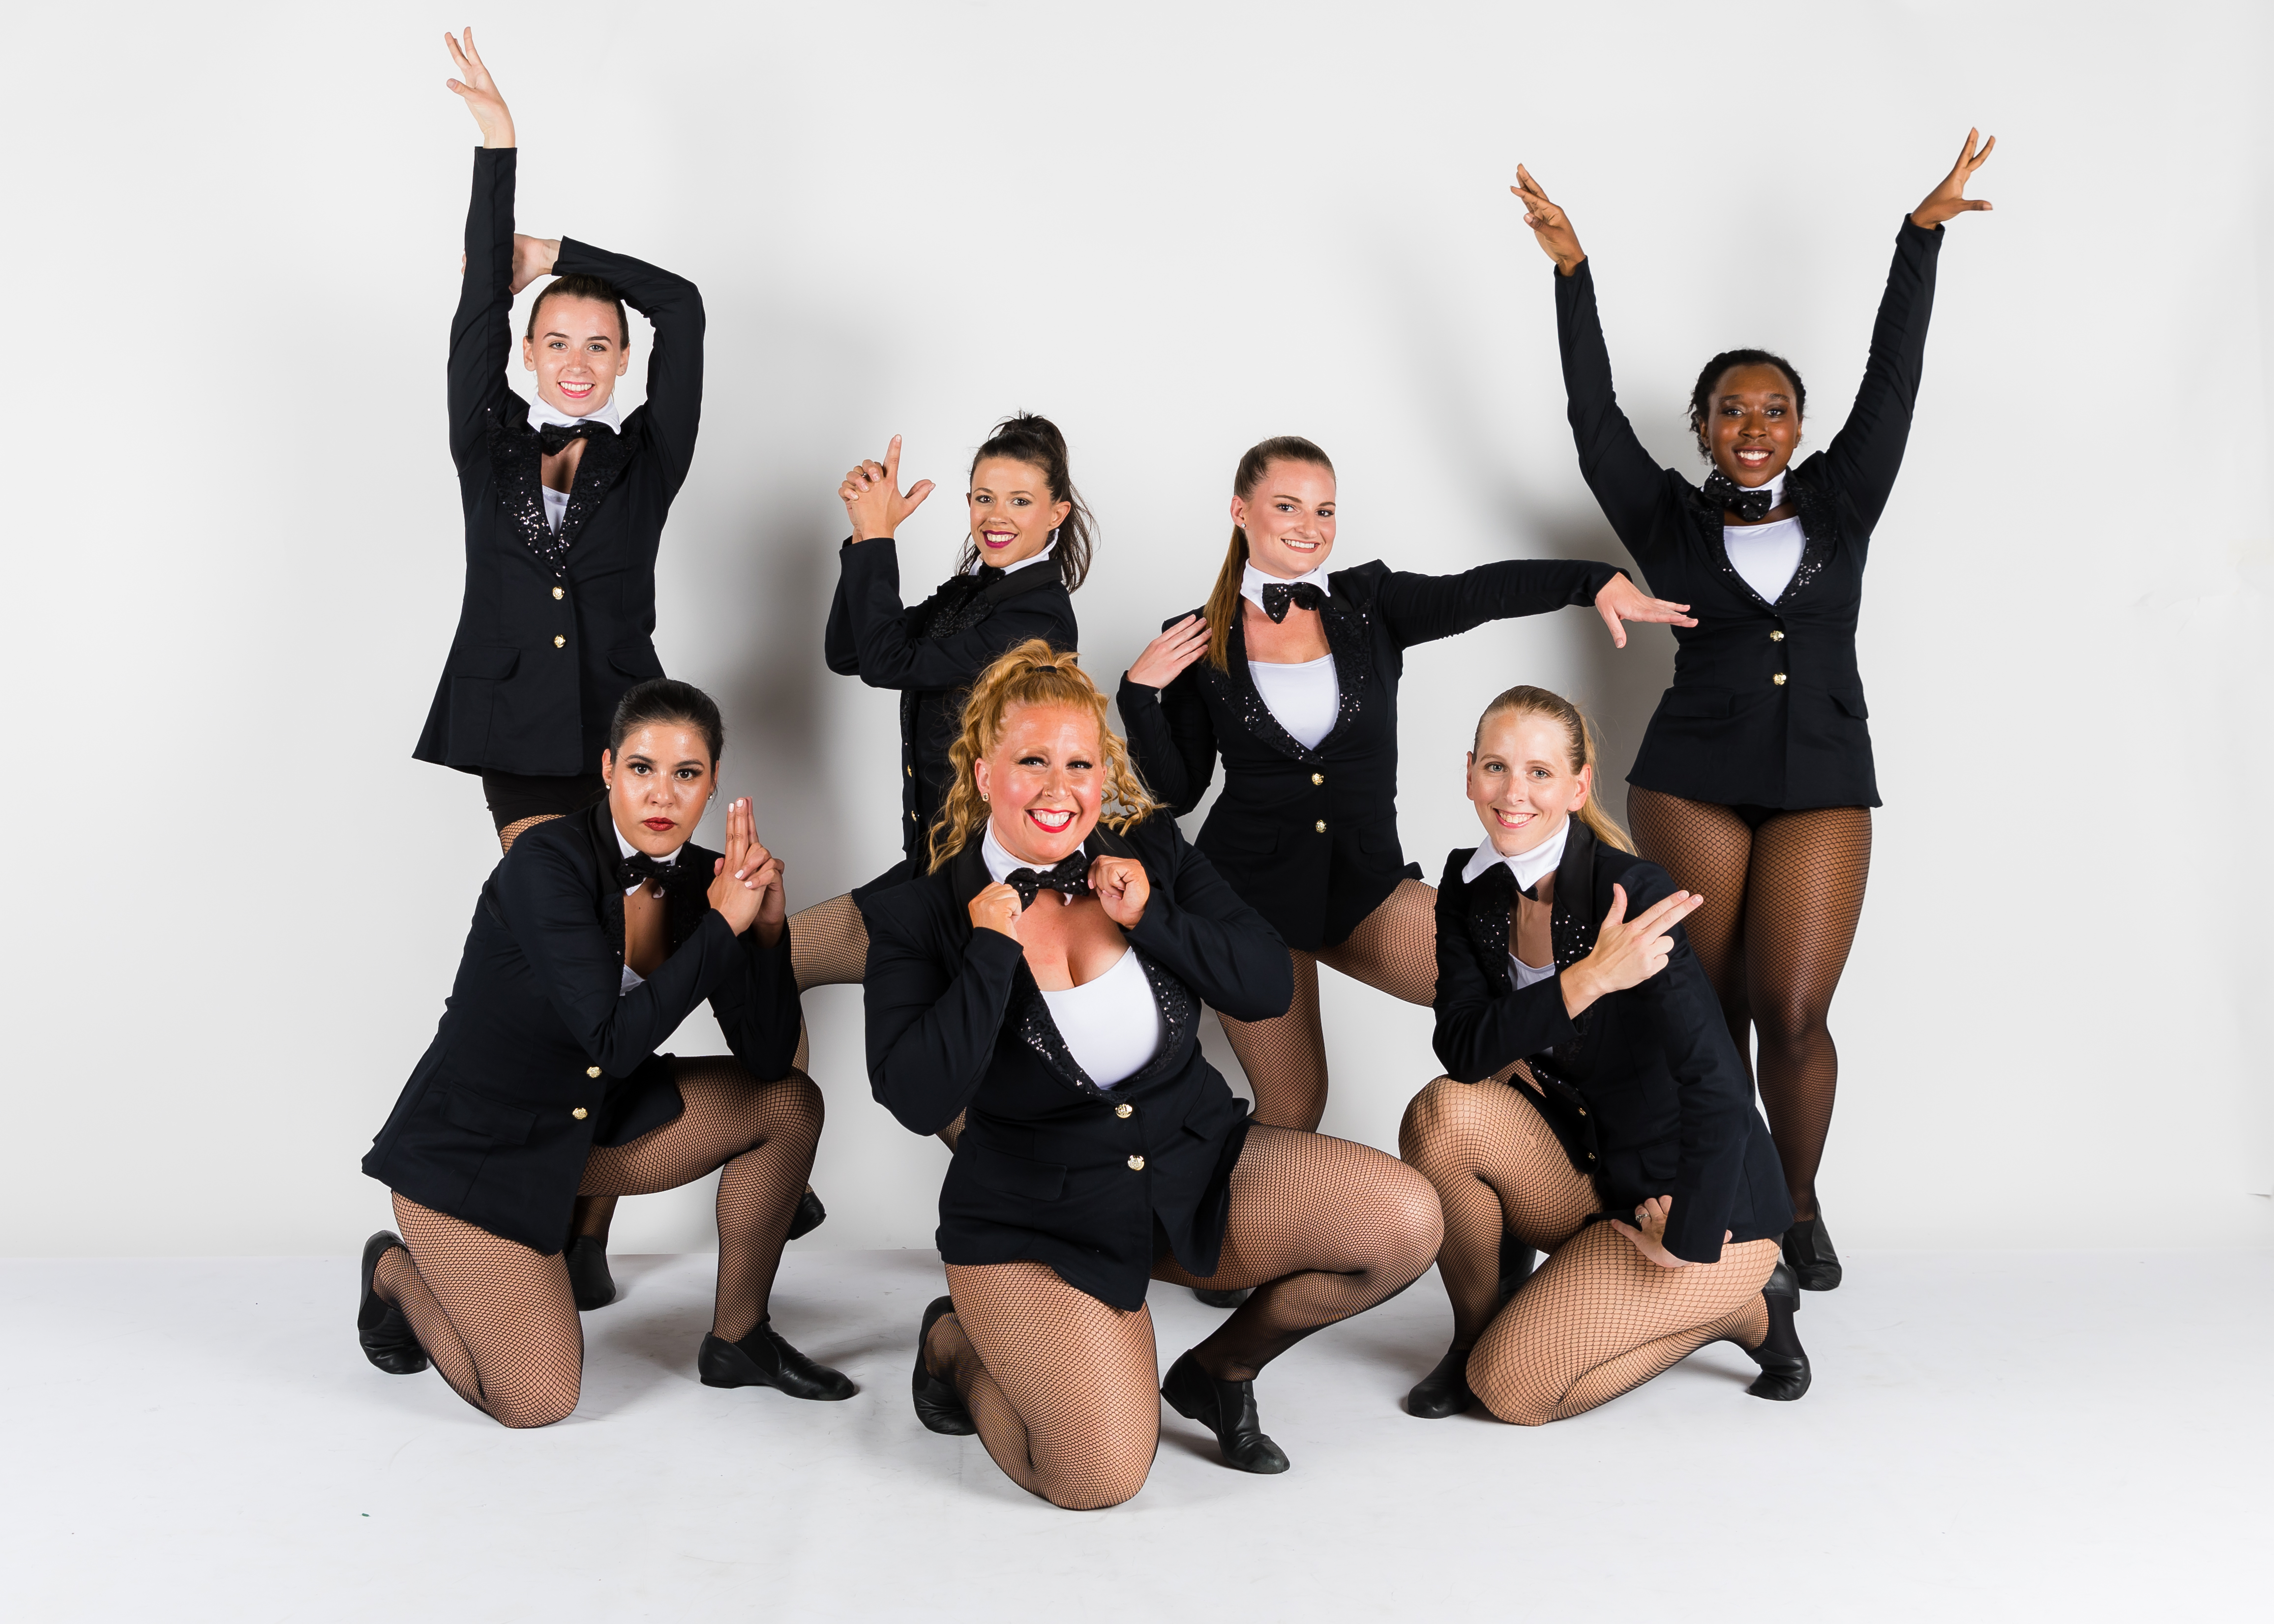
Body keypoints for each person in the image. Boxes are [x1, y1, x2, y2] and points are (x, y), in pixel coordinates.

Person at [1511, 131, 1995, 1288]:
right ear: (1703, 426)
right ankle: (1728, 1203)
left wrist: (1915, 241)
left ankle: (1798, 1199)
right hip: (1689, 779)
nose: (1753, 425)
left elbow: (1896, 376)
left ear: (1796, 422)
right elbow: (1591, 425)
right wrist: (1572, 275)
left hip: (1823, 775)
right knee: (1710, 1003)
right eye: (1730, 410)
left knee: (1790, 1005)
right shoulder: (1668, 519)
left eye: (1772, 409)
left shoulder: (1843, 496)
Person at [864, 642, 1442, 1507]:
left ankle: (1220, 1370)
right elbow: (915, 1097)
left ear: (1104, 774)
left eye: (1079, 765)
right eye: (1031, 762)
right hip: (1035, 1224)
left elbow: (1265, 982)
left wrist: (1154, 916)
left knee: (1404, 1221)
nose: (1059, 790)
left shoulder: (1149, 851)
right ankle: (955, 1346)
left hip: (1192, 1171)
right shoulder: (920, 911)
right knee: (1096, 1478)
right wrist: (989, 951)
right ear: (985, 776)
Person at [1117, 437, 1690, 1303]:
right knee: (1295, 1104)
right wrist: (1140, 693)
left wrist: (1588, 581)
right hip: (1246, 907)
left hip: (1368, 891)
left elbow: (1480, 593)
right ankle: (1231, 1255)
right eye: (1287, 506)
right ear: (1241, 513)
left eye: (1325, 509)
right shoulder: (1197, 637)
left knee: (1511, 1009)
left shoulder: (1366, 603)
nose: (1310, 527)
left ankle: (1520, 1216)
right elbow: (1179, 788)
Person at [356, 679, 853, 1426]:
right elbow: (611, 1042)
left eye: (687, 773)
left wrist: (766, 937)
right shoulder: (546, 864)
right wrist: (721, 929)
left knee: (789, 1104)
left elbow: (767, 1059)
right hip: (475, 1155)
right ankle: (396, 1274)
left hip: (586, 1128)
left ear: (713, 783)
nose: (663, 794)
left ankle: (739, 1338)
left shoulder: (703, 885)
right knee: (538, 1401)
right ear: (609, 770)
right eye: (642, 768)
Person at [1398, 685, 1807, 1425]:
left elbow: (1717, 1082)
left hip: (1691, 1201)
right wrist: (1586, 980)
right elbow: (1462, 1048)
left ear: (1578, 787)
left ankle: (1746, 1310)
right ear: (1468, 775)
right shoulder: (1467, 884)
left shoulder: (1632, 892)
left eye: (1540, 773)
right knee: (1441, 1113)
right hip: (1589, 1165)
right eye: (1496, 767)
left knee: (1514, 1395)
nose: (1513, 792)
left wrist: (1687, 1236)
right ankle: (1471, 1338)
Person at [413, 30, 707, 857]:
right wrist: (498, 144)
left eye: (598, 347)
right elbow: (479, 298)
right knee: (549, 908)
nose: (577, 364)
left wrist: (555, 257)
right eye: (558, 344)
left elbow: (681, 305)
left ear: (623, 361)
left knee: (627, 927)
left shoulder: (649, 460)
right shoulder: (486, 439)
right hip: (511, 720)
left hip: (629, 729)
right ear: (529, 351)